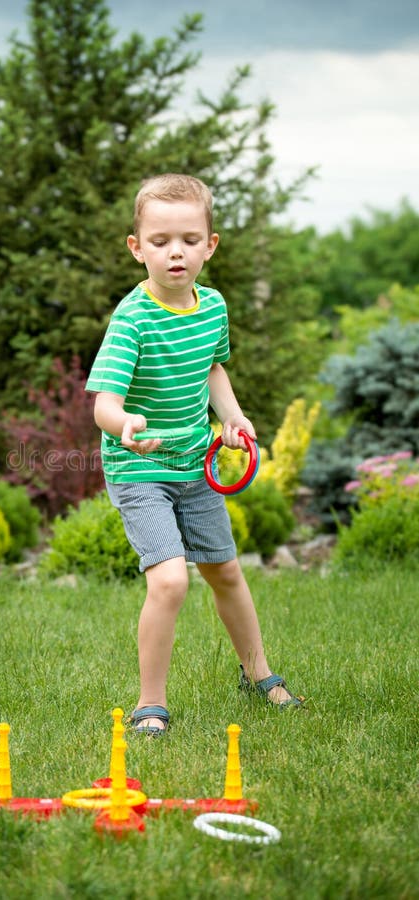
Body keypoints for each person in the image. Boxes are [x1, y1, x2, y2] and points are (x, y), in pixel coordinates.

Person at [85, 173, 303, 734]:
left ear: (210, 245)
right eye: (159, 241)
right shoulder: (132, 318)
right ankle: (150, 704)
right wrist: (126, 424)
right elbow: (103, 403)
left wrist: (231, 417)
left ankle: (259, 675)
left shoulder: (212, 308)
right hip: (140, 467)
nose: (174, 251)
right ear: (138, 249)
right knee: (171, 581)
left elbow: (211, 367)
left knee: (226, 571)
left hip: (193, 461)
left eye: (188, 239)